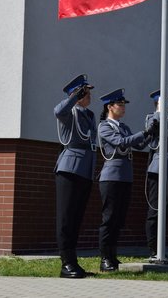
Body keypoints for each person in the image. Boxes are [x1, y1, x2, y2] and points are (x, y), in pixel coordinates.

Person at [97, 88, 158, 272]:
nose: (123, 108)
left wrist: (151, 134)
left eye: (124, 105)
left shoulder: (123, 127)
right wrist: (144, 131)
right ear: (110, 107)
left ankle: (113, 257)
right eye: (120, 105)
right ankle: (105, 258)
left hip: (125, 176)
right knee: (109, 218)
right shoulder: (104, 126)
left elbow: (138, 145)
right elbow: (122, 143)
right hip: (111, 177)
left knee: (119, 219)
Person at [54, 74, 97, 279]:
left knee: (77, 218)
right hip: (69, 169)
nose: (89, 95)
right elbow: (58, 110)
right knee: (66, 218)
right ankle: (66, 263)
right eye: (85, 92)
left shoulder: (89, 115)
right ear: (77, 94)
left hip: (85, 170)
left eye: (87, 92)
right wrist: (73, 98)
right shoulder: (69, 112)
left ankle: (73, 261)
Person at [145, 86, 168, 261]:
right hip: (158, 169)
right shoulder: (152, 119)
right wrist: (159, 111)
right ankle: (154, 250)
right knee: (155, 210)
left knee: (167, 210)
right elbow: (152, 135)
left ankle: (162, 249)